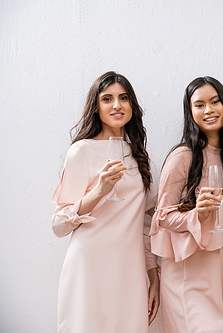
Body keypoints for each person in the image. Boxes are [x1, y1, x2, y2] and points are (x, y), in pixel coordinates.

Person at [51, 71, 160, 333]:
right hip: (89, 267)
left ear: (132, 105)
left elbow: (146, 224)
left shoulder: (139, 157)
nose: (116, 105)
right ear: (96, 107)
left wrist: (153, 276)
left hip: (129, 270)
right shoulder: (82, 151)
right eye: (107, 98)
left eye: (123, 98)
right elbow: (58, 225)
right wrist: (99, 191)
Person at [149, 76, 223, 333]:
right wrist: (196, 215)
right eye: (199, 105)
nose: (209, 110)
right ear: (190, 113)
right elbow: (162, 217)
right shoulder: (183, 156)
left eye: (215, 102)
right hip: (189, 270)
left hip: (222, 266)